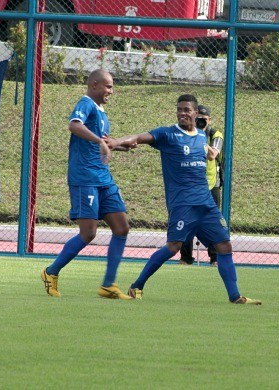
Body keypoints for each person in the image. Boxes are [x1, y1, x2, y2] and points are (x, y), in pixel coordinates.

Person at [109, 94, 261, 305]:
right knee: (173, 247)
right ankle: (137, 285)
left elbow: (210, 154)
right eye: (179, 109)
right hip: (182, 204)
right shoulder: (167, 134)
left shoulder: (201, 137)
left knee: (225, 246)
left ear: (195, 113)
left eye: (187, 110)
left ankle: (235, 296)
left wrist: (212, 152)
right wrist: (115, 142)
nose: (182, 113)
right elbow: (138, 138)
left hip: (206, 204)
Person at [40, 69, 134, 300]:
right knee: (88, 233)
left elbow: (100, 141)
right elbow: (74, 125)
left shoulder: (102, 112)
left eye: (112, 86)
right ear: (94, 85)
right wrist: (98, 142)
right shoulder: (86, 103)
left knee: (122, 228)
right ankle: (51, 272)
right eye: (108, 86)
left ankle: (108, 285)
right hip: (84, 178)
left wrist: (119, 145)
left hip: (103, 178)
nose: (111, 91)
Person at [179, 104, 223, 267]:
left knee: (212, 221)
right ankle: (185, 258)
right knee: (187, 220)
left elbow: (212, 155)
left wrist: (201, 139)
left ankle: (215, 258)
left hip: (211, 185)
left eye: (204, 120)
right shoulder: (187, 134)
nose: (201, 123)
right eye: (198, 119)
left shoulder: (215, 135)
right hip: (190, 184)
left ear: (209, 120)